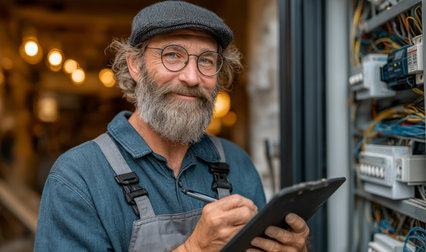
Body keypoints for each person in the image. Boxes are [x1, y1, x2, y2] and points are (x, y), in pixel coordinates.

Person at [34, 1, 310, 251]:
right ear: (135, 66)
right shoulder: (77, 179)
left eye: (205, 60)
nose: (192, 77)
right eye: (172, 55)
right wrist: (194, 249)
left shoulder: (236, 164)